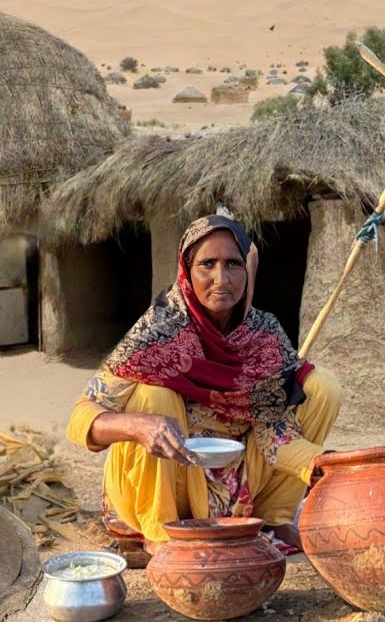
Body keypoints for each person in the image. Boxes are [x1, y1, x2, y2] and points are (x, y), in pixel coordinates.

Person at [67, 215, 342, 553]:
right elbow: (80, 417)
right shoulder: (158, 330)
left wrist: (327, 464)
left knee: (321, 386)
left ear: (247, 270)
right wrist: (137, 426)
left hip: (236, 484)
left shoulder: (263, 336)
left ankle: (272, 518)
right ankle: (160, 534)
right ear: (187, 269)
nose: (221, 279)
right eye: (207, 264)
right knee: (154, 396)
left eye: (233, 264)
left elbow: (275, 437)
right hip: (171, 479)